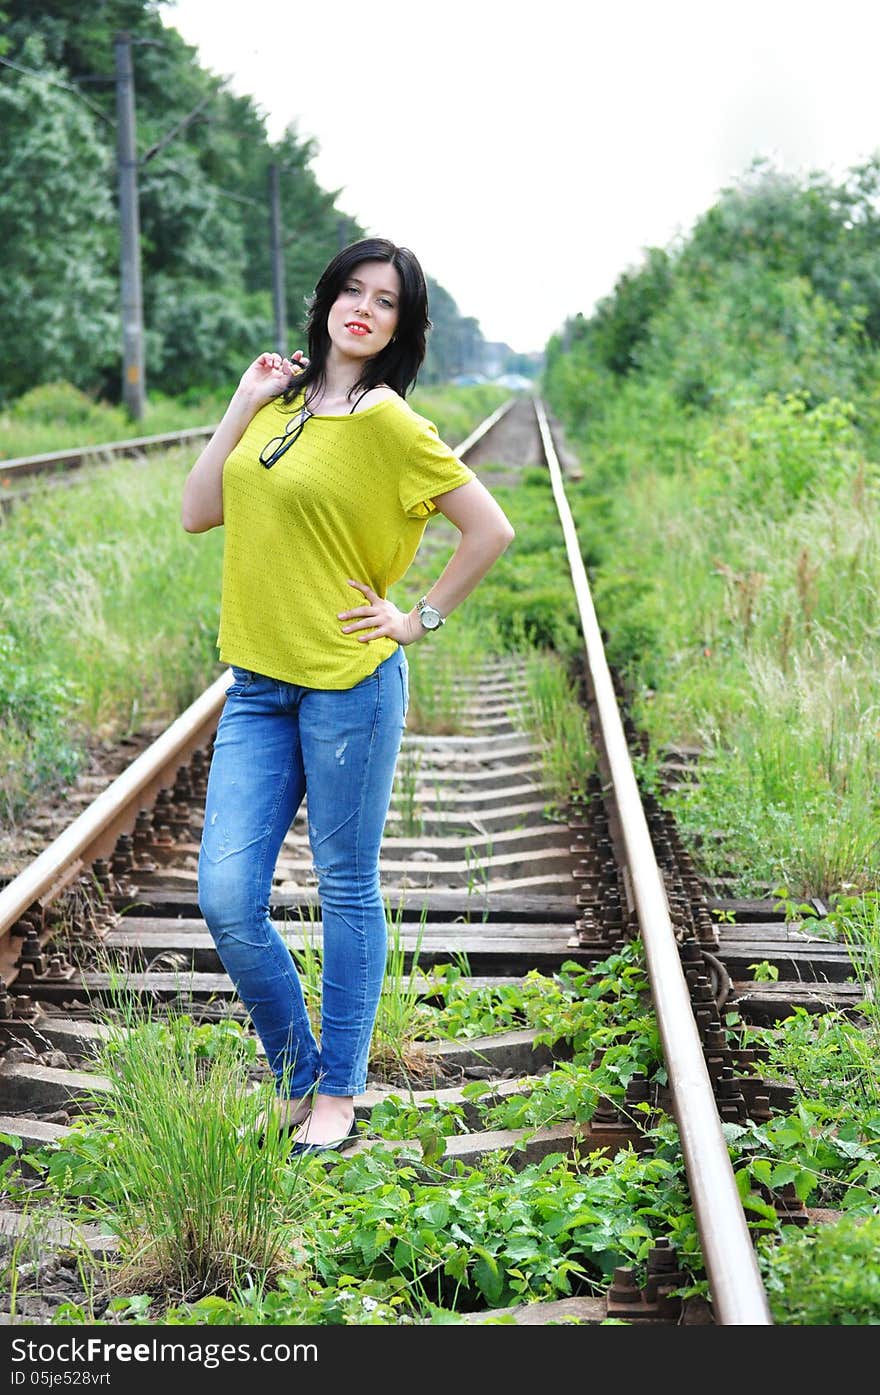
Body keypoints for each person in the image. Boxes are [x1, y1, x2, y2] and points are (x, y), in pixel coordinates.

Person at [181, 236, 514, 1155]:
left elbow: (489, 529)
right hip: (256, 683)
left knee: (345, 888)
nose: (363, 309)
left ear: (402, 325)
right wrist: (242, 402)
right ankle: (294, 1070)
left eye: (387, 301)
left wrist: (418, 620)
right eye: (353, 290)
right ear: (329, 297)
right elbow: (198, 509)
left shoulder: (391, 424)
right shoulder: (279, 400)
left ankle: (338, 1089)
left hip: (348, 689)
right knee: (226, 897)